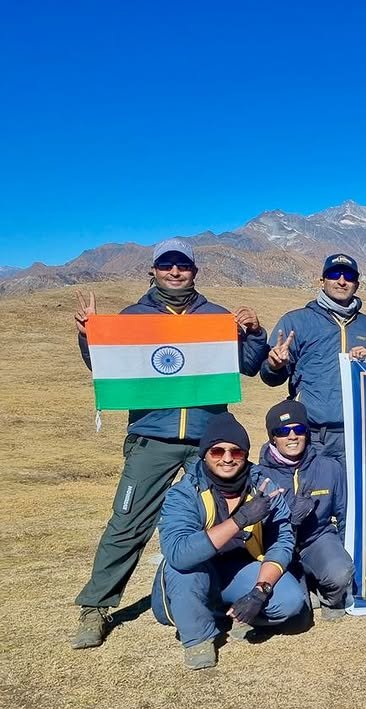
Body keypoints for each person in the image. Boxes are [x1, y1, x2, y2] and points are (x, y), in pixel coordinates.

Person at [71, 238, 269, 649]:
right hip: (151, 438)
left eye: (183, 265)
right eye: (166, 265)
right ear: (154, 270)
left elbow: (249, 366)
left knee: (221, 521)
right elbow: (106, 368)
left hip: (209, 441)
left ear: (195, 271)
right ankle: (96, 607)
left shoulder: (217, 317)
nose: (175, 272)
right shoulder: (133, 317)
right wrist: (91, 336)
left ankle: (218, 596)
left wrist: (253, 331)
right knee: (128, 522)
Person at [151, 413, 307, 670]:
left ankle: (233, 610)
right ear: (204, 454)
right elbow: (178, 553)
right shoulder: (184, 492)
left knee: (290, 602)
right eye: (217, 451)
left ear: (245, 455)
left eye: (236, 452)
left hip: (241, 566)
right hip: (196, 570)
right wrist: (241, 519)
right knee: (185, 570)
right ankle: (198, 638)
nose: (226, 458)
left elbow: (282, 542)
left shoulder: (265, 487)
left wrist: (260, 591)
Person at [260, 254, 366, 462]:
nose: (341, 281)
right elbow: (271, 378)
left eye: (349, 276)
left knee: (353, 494)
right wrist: (274, 365)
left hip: (358, 433)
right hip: (312, 434)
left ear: (357, 284)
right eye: (334, 274)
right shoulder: (297, 321)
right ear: (322, 281)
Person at [259, 400, 354, 621]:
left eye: (298, 429)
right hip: (279, 545)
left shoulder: (330, 467)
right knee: (297, 611)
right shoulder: (259, 474)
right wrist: (290, 518)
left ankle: (329, 595)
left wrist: (344, 555)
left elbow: (344, 515)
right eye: (283, 431)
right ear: (273, 437)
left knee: (340, 572)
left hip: (317, 538)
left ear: (307, 433)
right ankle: (303, 589)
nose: (292, 436)